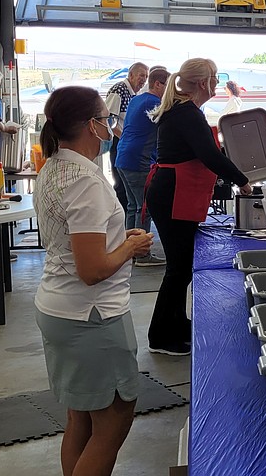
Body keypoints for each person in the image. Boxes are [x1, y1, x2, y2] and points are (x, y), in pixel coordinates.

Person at [33, 85, 154, 476]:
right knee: (112, 424)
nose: (112, 126)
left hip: (61, 311)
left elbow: (81, 248)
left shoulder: (53, 167)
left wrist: (115, 242)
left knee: (80, 422)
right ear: (91, 125)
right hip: (91, 316)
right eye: (107, 118)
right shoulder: (83, 180)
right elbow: (91, 268)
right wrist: (130, 247)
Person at [145, 59, 251, 355]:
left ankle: (177, 323)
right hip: (173, 193)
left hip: (172, 191)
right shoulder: (187, 113)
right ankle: (160, 336)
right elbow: (209, 155)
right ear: (204, 83)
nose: (217, 83)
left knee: (181, 267)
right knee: (178, 269)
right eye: (215, 78)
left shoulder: (182, 110)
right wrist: (243, 181)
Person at [114, 67, 169, 265]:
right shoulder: (155, 103)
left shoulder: (137, 99)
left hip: (122, 158)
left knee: (132, 206)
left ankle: (128, 251)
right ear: (158, 84)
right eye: (168, 86)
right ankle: (142, 254)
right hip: (139, 161)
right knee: (143, 209)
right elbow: (169, 127)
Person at [104, 63, 149, 210]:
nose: (144, 79)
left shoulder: (133, 94)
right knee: (122, 187)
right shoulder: (119, 90)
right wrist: (126, 140)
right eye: (141, 75)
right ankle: (121, 224)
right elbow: (109, 121)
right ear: (131, 75)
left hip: (127, 145)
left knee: (128, 190)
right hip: (120, 144)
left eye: (146, 76)